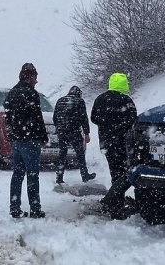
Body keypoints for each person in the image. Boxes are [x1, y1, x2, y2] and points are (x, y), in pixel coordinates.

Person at [4, 63, 49, 219]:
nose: (36, 80)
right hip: (29, 139)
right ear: (29, 77)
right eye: (35, 77)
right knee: (32, 174)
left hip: (16, 140)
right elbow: (37, 117)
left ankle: (14, 207)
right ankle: (35, 209)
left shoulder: (11, 93)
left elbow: (8, 117)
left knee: (17, 174)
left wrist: (11, 135)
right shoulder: (31, 94)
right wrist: (43, 137)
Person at [90, 72, 137, 219]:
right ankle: (114, 200)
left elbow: (94, 118)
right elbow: (133, 120)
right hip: (123, 143)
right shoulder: (127, 100)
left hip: (107, 143)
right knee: (126, 172)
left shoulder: (100, 99)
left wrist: (106, 124)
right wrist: (120, 127)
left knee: (114, 171)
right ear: (124, 84)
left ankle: (115, 200)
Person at [53, 86, 96, 184]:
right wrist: (86, 133)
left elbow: (55, 117)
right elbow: (83, 118)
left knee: (62, 154)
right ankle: (85, 175)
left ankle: (59, 177)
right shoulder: (79, 101)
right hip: (74, 131)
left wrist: (59, 128)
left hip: (61, 131)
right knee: (80, 154)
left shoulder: (60, 100)